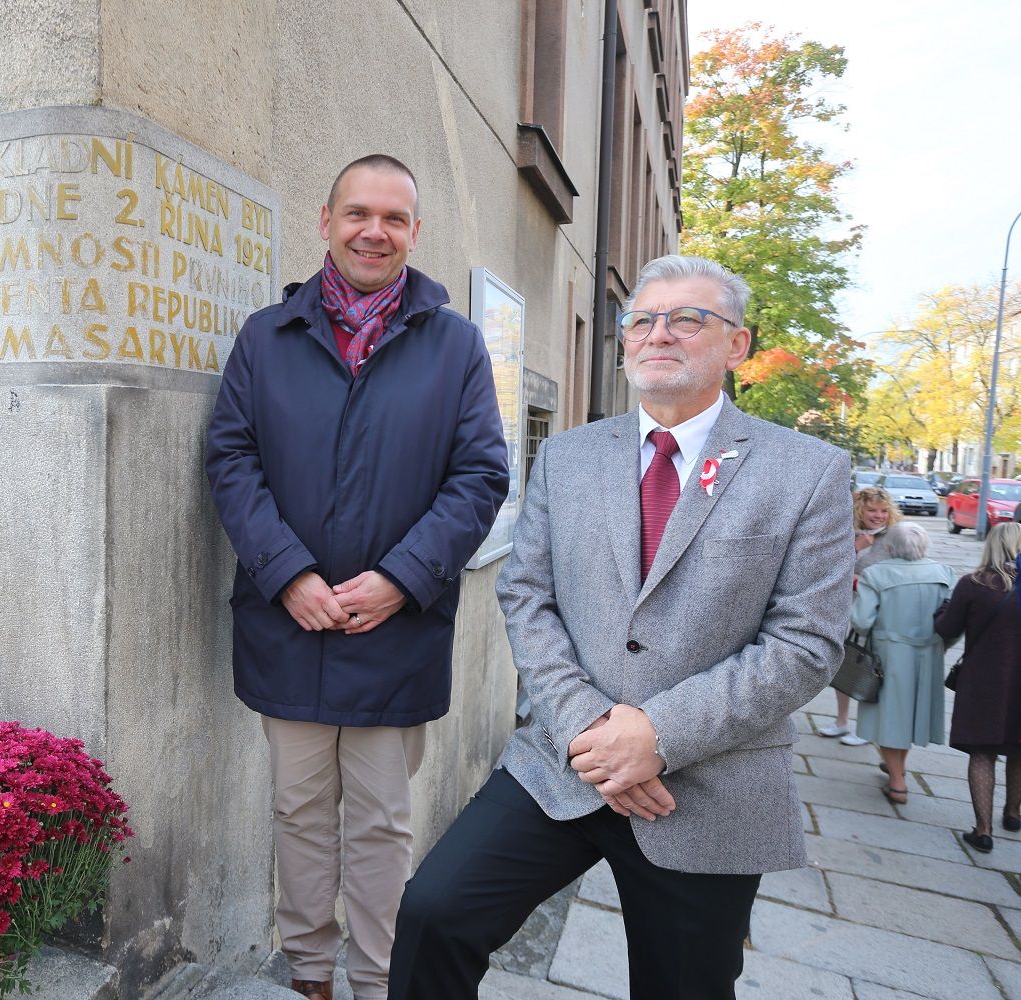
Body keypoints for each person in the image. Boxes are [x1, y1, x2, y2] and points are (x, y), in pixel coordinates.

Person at [388, 254, 853, 1000]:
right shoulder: (568, 455)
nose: (657, 333)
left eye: (687, 318)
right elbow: (526, 594)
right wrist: (594, 730)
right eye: (642, 320)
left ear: (736, 344)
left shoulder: (806, 471)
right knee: (434, 915)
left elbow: (806, 643)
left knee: (683, 988)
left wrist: (658, 735)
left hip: (707, 784)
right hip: (561, 764)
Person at [204, 154, 508, 1000]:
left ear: (415, 232)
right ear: (326, 220)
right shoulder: (268, 337)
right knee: (298, 814)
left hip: (394, 630)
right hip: (288, 624)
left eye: (395, 218)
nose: (375, 231)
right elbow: (231, 456)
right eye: (358, 214)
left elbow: (480, 475)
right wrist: (286, 573)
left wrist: (402, 579)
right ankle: (308, 973)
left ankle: (377, 983)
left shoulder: (453, 345)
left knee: (379, 823)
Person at [850, 521, 955, 806]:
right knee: (911, 716)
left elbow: (861, 622)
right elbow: (952, 621)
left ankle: (897, 782)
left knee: (889, 716)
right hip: (929, 653)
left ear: (891, 546)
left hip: (889, 653)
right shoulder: (944, 573)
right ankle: (898, 767)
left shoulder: (876, 574)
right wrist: (942, 646)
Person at [935, 522, 1021, 852]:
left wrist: (944, 608)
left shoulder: (974, 584)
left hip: (984, 683)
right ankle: (1013, 813)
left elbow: (946, 628)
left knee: (982, 752)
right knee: (1018, 750)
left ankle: (983, 830)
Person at [818, 487, 903, 746]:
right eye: (872, 510)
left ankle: (866, 728)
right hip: (845, 609)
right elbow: (827, 567)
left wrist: (861, 581)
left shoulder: (896, 537)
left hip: (879, 611)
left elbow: (901, 574)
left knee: (872, 668)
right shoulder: (847, 533)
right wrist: (856, 547)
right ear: (859, 511)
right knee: (845, 663)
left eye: (883, 510)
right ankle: (841, 721)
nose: (879, 516)